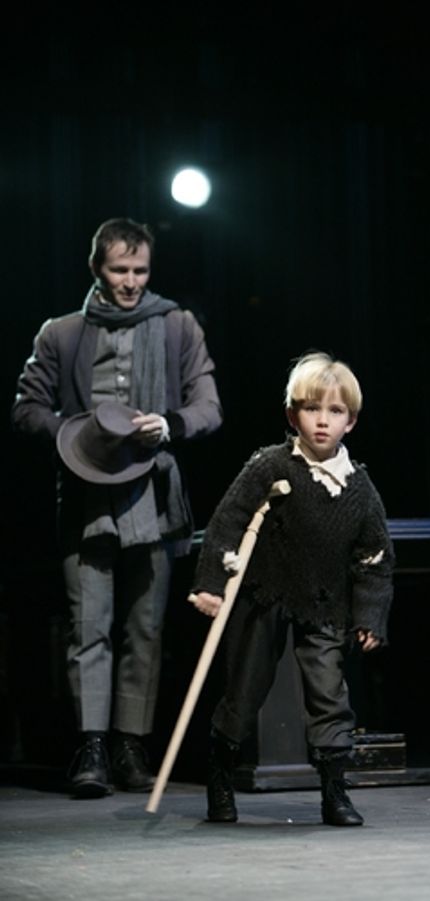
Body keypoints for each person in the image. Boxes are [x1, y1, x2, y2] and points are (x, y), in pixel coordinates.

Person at [11, 217, 223, 798]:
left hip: (152, 493)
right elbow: (26, 407)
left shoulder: (177, 326)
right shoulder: (63, 333)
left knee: (146, 626)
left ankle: (131, 744)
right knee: (89, 625)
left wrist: (170, 423)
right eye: (118, 270)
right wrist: (75, 436)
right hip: (86, 494)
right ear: (96, 270)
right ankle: (93, 748)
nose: (130, 281)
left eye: (139, 270)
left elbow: (208, 405)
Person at [188, 351, 394, 826]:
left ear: (352, 422)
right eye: (311, 409)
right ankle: (221, 776)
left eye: (335, 411)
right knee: (245, 691)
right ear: (292, 414)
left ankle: (334, 791)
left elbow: (375, 558)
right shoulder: (270, 465)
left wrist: (369, 617)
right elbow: (228, 522)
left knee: (329, 694)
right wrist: (212, 585)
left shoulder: (359, 488)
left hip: (325, 604)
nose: (322, 421)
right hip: (266, 594)